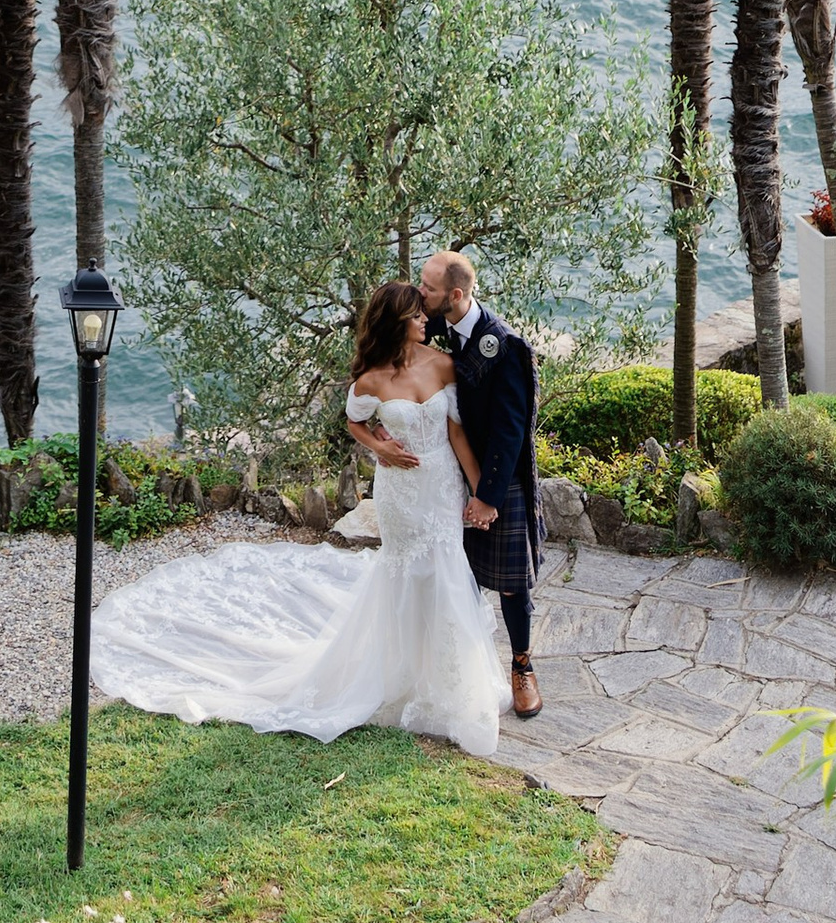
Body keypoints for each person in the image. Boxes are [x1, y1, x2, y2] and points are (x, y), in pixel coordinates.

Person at [85, 277, 517, 758]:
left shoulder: (443, 365)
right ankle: (396, 677)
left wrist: (481, 492)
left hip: (439, 489)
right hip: (399, 496)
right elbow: (354, 421)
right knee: (404, 575)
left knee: (447, 572)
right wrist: (379, 447)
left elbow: (457, 435)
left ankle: (449, 684)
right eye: (417, 316)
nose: (425, 321)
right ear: (397, 323)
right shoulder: (371, 380)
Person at [380, 249, 543, 718]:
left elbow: (513, 430)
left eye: (427, 288)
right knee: (454, 576)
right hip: (446, 478)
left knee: (512, 584)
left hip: (497, 477)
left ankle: (521, 665)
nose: (419, 293)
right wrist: (384, 438)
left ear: (454, 295)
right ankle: (461, 667)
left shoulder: (505, 345)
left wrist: (487, 496)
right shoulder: (434, 328)